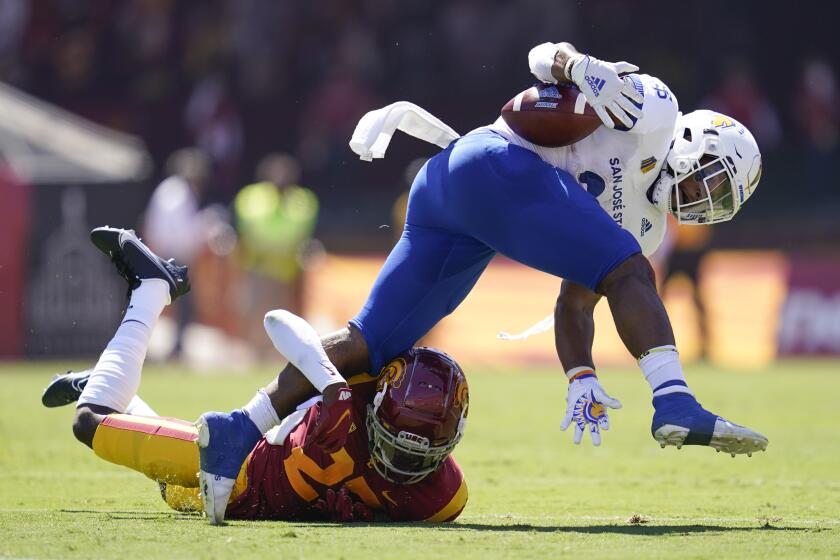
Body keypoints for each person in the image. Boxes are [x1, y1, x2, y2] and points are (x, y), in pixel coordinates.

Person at [193, 41, 767, 522]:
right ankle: (675, 399)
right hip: (490, 162)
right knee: (627, 267)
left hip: (459, 202)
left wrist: (581, 375)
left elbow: (574, 305)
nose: (699, 203)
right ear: (694, 143)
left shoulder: (644, 229)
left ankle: (238, 428)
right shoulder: (655, 112)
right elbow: (542, 58)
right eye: (707, 184)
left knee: (371, 342)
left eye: (716, 204)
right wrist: (578, 67)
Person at [44, 227, 468, 523]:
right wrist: (331, 386)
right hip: (237, 465)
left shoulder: (443, 499)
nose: (401, 465)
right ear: (376, 399)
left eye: (417, 457)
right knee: (89, 422)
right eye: (397, 447)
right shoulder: (359, 383)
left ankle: (100, 377)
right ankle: (152, 289)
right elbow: (284, 326)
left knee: (169, 491)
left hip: (236, 500)